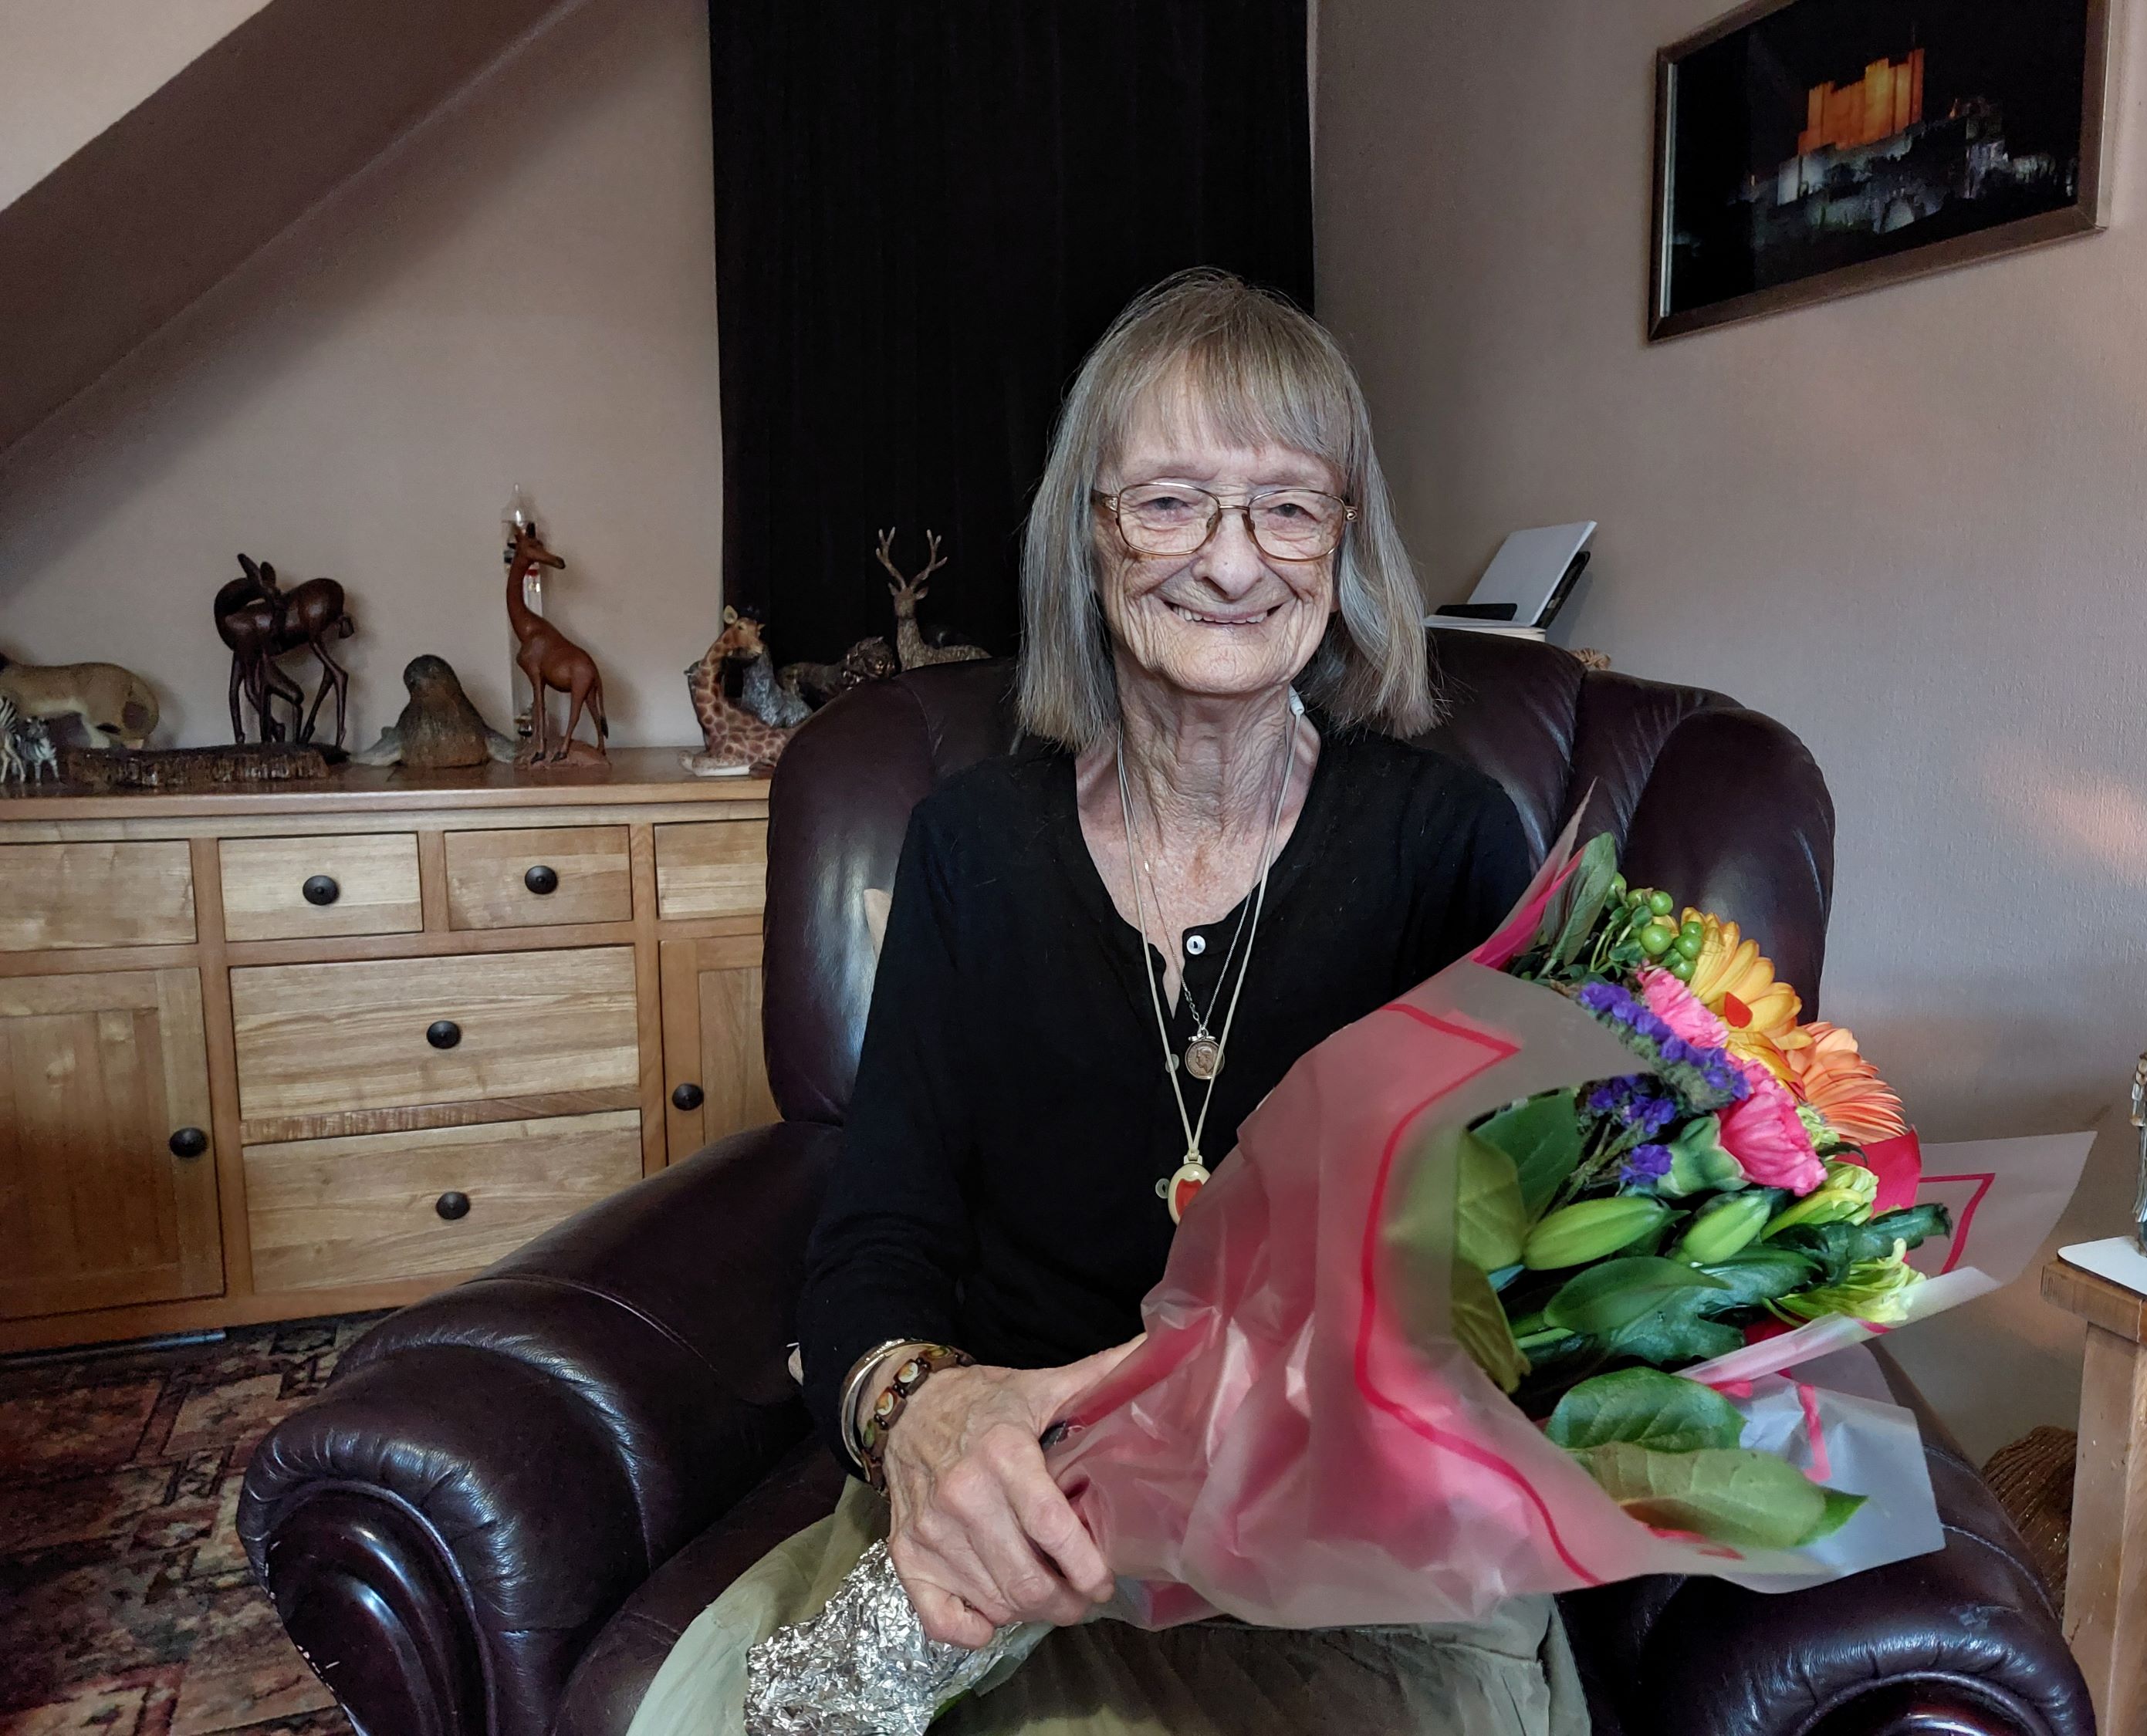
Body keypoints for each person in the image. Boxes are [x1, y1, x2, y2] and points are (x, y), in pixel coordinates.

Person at [627, 270, 1587, 1734]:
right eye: (1169, 501)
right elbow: (875, 1234)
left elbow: (1524, 1268)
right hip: (1023, 1513)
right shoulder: (969, 846)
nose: (1231, 560)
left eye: (1286, 504)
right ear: (1088, 534)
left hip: (1346, 1533)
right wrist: (922, 1415)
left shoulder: (1449, 845)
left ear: (1346, 539)